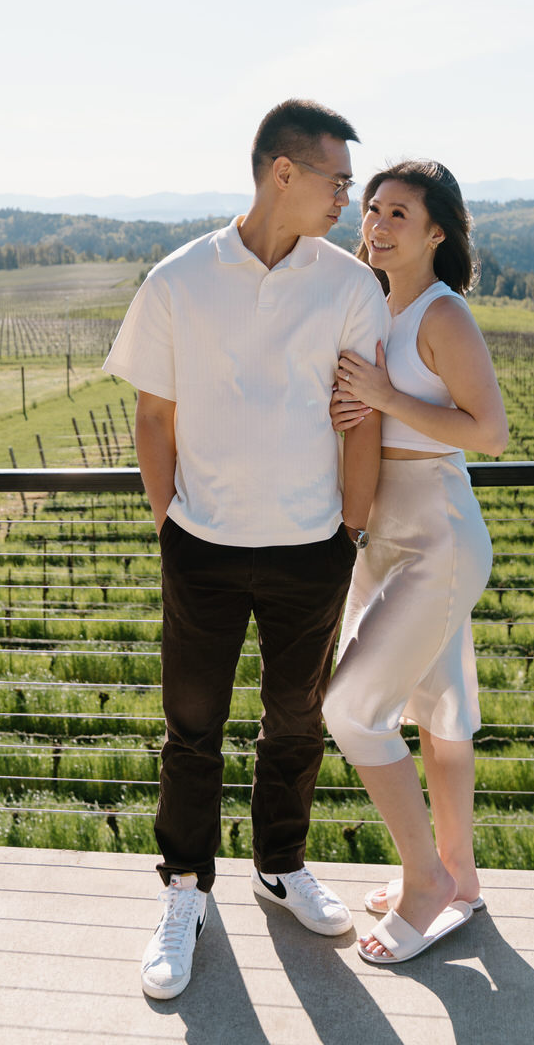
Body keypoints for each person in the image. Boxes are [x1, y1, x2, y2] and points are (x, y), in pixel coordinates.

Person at [103, 100, 389, 1001]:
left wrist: (350, 529)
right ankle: (185, 891)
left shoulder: (349, 285)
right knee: (192, 730)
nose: (349, 196)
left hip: (313, 551)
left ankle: (280, 866)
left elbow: (361, 417)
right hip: (204, 549)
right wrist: (170, 526)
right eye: (338, 179)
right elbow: (153, 414)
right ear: (283, 174)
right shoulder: (179, 279)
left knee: (296, 724)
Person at [322, 159, 508, 966]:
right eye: (371, 209)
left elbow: (490, 432)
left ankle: (423, 880)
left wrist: (385, 397)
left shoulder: (442, 313)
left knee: (350, 710)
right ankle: (458, 879)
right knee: (438, 718)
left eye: (399, 212)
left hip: (436, 533)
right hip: (387, 536)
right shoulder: (373, 305)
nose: (377, 223)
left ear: (437, 232)